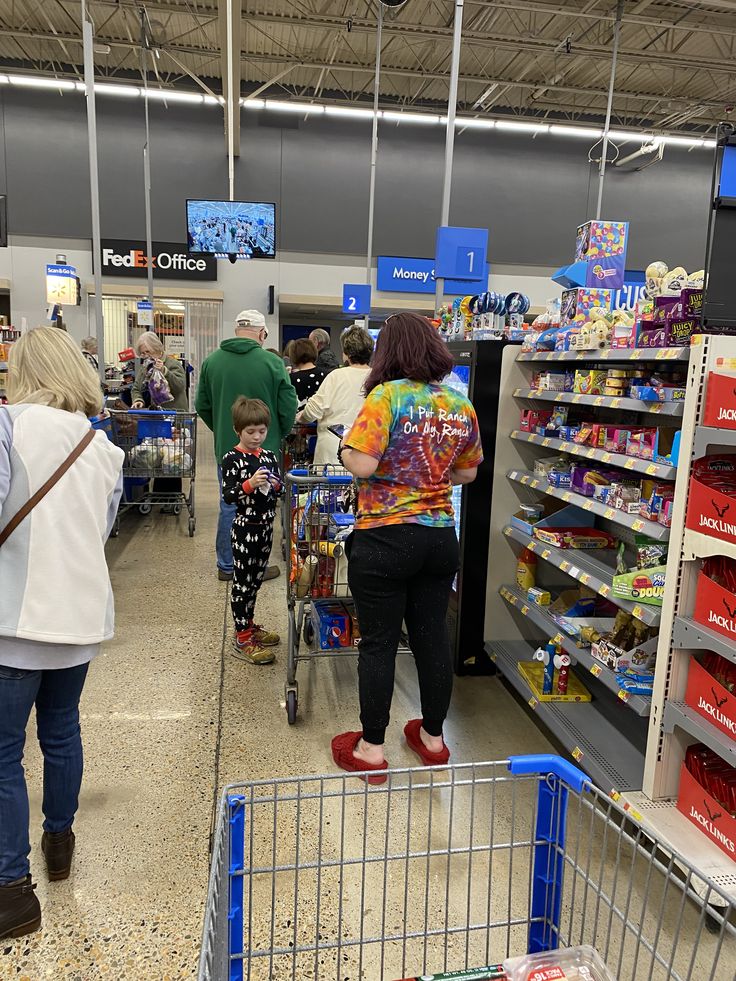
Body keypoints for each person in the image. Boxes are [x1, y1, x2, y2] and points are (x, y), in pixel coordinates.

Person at [0, 327, 124, 940]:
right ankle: (59, 842)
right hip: (78, 621)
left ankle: (11, 891)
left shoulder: (7, 425)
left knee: (2, 755)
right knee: (61, 733)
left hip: (12, 622)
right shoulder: (102, 448)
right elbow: (99, 532)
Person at [332, 313, 483, 784]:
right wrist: (430, 474)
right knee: (431, 637)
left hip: (385, 536)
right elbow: (468, 473)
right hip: (439, 538)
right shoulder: (460, 404)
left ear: (388, 352)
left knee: (378, 643)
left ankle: (372, 751)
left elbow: (362, 463)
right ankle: (434, 739)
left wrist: (343, 450)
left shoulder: (386, 396)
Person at [196, 310, 297, 582]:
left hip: (226, 448)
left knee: (229, 503)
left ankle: (227, 565)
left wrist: (224, 431)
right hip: (264, 449)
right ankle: (255, 565)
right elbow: (288, 406)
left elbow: (201, 405)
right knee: (261, 505)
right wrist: (277, 434)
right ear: (262, 333)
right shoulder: (272, 363)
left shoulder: (212, 362)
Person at [221, 398, 282, 665]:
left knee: (256, 580)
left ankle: (249, 624)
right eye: (250, 432)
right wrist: (249, 484)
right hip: (246, 528)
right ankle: (242, 636)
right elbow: (229, 494)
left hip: (267, 526)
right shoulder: (231, 458)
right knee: (243, 582)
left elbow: (279, 486)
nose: (257, 437)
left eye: (262, 431)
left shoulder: (269, 456)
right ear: (238, 430)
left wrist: (275, 483)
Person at [298, 325, 374, 466]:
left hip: (333, 448)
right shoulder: (378, 378)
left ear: (346, 353)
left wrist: (301, 417)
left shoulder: (336, 376)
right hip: (367, 449)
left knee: (330, 486)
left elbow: (313, 410)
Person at [131, 332, 188, 411]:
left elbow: (180, 386)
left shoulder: (173, 364)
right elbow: (136, 388)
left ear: (157, 348)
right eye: (143, 353)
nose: (146, 355)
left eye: (148, 352)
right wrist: (138, 400)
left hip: (174, 415)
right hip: (154, 415)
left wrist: (165, 372)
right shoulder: (145, 367)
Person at [288, 338, 325, 407]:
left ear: (293, 355)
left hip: (298, 417)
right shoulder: (327, 375)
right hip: (323, 417)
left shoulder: (290, 379)